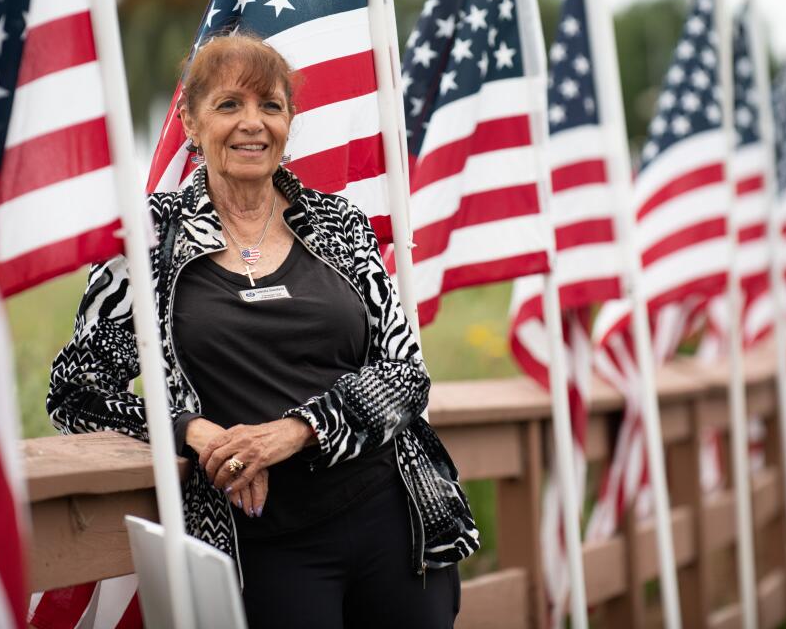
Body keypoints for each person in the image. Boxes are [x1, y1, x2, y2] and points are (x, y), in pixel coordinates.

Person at [47, 33, 478, 628]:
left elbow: (405, 375)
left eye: (270, 106)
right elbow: (74, 390)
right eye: (229, 105)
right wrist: (192, 432)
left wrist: (295, 430)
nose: (253, 124)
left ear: (288, 122)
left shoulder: (338, 224)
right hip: (260, 542)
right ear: (191, 122)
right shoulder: (151, 240)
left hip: (393, 523)